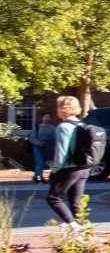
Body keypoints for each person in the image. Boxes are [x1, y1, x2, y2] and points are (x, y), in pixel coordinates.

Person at [31, 94, 103, 226]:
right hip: (84, 168)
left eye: (58, 107)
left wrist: (55, 170)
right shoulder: (80, 124)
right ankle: (82, 230)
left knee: (54, 198)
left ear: (62, 109)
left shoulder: (63, 127)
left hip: (69, 168)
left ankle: (73, 226)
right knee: (76, 203)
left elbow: (62, 151)